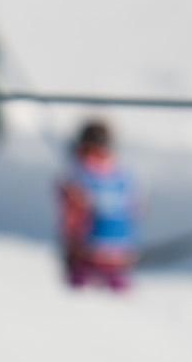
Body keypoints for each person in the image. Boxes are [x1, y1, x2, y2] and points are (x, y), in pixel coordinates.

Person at [57, 118, 138, 290]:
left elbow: (132, 211)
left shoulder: (118, 177)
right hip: (95, 253)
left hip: (107, 253)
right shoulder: (81, 177)